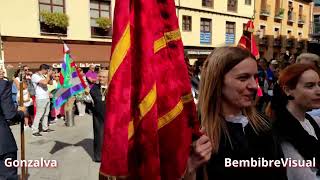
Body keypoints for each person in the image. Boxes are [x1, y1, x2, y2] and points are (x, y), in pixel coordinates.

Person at [184, 47, 287, 180]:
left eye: (254, 77)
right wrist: (190, 169)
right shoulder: (195, 131)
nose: (254, 86)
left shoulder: (263, 124)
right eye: (243, 78)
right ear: (217, 81)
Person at [271, 64, 320, 179]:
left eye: (319, 84)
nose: (318, 91)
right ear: (288, 90)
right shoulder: (282, 130)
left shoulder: (310, 121)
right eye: (310, 86)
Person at [0, 79, 24, 180]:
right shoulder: (2, 85)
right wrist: (21, 113)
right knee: (7, 175)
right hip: (2, 142)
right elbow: (10, 114)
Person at [31, 64, 54, 136]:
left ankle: (45, 128)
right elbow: (44, 82)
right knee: (39, 114)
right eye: (47, 70)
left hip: (46, 96)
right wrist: (48, 76)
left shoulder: (44, 75)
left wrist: (50, 76)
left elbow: (50, 83)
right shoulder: (35, 76)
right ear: (44, 69)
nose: (47, 72)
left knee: (46, 114)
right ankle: (35, 130)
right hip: (40, 98)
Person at [90, 70, 108, 162]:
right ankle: (99, 157)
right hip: (98, 116)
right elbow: (90, 100)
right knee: (99, 136)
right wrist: (86, 95)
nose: (100, 78)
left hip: (111, 116)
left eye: (103, 77)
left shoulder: (114, 87)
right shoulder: (94, 87)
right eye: (99, 76)